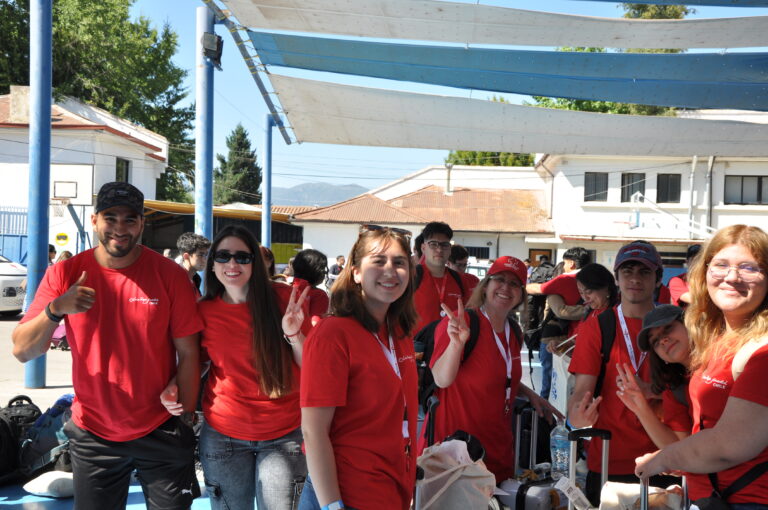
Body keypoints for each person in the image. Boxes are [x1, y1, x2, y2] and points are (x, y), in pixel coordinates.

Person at [12, 182, 202, 510]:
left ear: (142, 224)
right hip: (93, 433)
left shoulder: (170, 276)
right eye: (110, 217)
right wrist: (56, 309)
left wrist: (185, 415)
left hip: (161, 428)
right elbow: (22, 350)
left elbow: (189, 353)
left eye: (130, 219)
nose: (119, 227)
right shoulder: (66, 273)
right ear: (95, 220)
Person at [163, 225, 311, 510]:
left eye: (242, 257)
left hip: (283, 434)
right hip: (223, 434)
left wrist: (293, 334)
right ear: (212, 262)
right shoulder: (203, 310)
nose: (232, 264)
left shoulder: (286, 300)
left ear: (255, 262)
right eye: (223, 256)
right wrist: (175, 384)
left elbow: (311, 367)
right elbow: (201, 360)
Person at [635, 225, 768, 507]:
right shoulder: (716, 337)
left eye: (749, 268)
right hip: (710, 497)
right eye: (721, 265)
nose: (732, 277)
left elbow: (727, 445)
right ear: (704, 272)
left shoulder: (763, 350)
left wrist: (663, 459)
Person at [299, 225, 419, 510]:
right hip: (347, 494)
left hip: (390, 489)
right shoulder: (333, 334)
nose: (390, 271)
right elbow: (314, 433)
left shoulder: (398, 332)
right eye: (378, 261)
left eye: (399, 263)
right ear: (355, 272)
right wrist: (332, 505)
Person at [424, 256, 562, 483]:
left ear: (520, 294)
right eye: (500, 279)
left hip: (497, 452)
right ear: (485, 285)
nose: (506, 287)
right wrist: (457, 343)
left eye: (514, 283)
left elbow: (502, 376)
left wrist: (530, 394)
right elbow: (441, 379)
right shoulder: (462, 323)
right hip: (455, 455)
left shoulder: (514, 331)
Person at [568, 240, 677, 506]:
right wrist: (577, 414)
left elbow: (687, 391)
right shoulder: (599, 325)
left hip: (665, 458)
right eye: (628, 271)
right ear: (616, 278)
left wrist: (650, 391)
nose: (635, 279)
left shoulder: (674, 326)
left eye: (644, 272)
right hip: (608, 458)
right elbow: (582, 389)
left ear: (658, 279)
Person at [616, 305, 692, 450]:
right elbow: (678, 448)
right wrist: (640, 407)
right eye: (655, 341)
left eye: (668, 328)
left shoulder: (724, 357)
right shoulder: (674, 390)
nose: (663, 340)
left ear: (689, 324)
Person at [527, 247, 591, 399]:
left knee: (552, 381)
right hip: (587, 336)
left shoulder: (564, 279)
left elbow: (538, 289)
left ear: (571, 263)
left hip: (559, 339)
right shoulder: (593, 280)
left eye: (564, 262)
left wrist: (523, 286)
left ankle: (545, 416)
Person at [413, 222, 472, 340]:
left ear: (449, 249)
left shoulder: (460, 280)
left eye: (444, 245)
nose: (439, 249)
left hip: (450, 350)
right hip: (417, 351)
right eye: (433, 244)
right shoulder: (412, 276)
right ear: (424, 248)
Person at [293, 248, 330, 326]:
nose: (325, 272)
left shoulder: (285, 287)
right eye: (323, 269)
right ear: (317, 271)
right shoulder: (319, 295)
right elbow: (315, 325)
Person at [668, 244, 702, 308]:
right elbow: (691, 299)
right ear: (687, 262)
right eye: (694, 260)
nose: (697, 264)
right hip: (683, 317)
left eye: (700, 260)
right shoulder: (676, 280)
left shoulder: (709, 279)